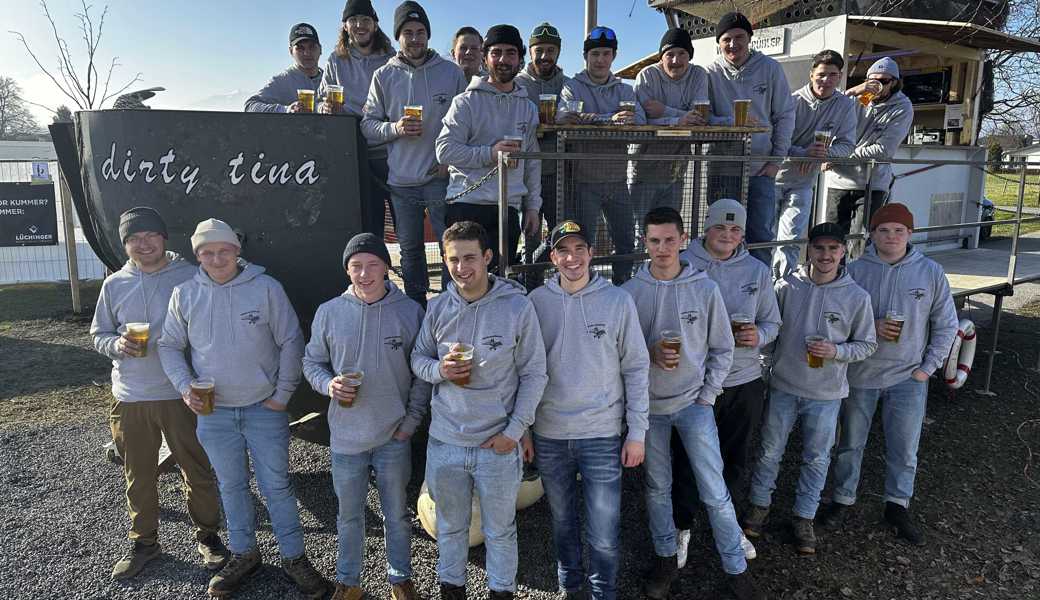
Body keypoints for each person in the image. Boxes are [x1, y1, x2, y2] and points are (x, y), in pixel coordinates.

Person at [158, 219, 327, 598]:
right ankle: (244, 553)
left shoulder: (266, 288)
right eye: (207, 252)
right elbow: (168, 345)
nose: (216, 258)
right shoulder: (184, 294)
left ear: (237, 251)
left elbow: (290, 341)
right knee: (231, 486)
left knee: (276, 486)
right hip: (214, 413)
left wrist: (282, 395)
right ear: (197, 255)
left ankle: (294, 558)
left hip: (264, 408)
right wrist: (186, 389)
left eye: (224, 250)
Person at [622, 207, 764, 600]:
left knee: (714, 489)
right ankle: (666, 558)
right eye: (654, 241)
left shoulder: (704, 289)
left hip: (693, 405)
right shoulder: (630, 294)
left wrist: (707, 396)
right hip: (649, 409)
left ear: (684, 240)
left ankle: (735, 568)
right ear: (644, 243)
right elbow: (621, 355)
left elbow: (723, 347)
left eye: (670, 240)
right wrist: (647, 354)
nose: (662, 248)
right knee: (657, 487)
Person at [410, 221, 548, 600]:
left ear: (487, 257)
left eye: (469, 257)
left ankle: (501, 592)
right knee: (451, 528)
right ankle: (451, 592)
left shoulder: (517, 307)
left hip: (497, 445)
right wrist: (440, 370)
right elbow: (417, 360)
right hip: (446, 444)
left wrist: (515, 431)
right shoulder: (437, 308)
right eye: (452, 259)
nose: (460, 267)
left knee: (501, 530)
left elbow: (535, 374)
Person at [91, 207, 227, 581]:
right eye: (134, 238)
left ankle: (209, 536)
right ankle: (145, 542)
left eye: (150, 235)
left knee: (196, 468)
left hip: (180, 391)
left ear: (164, 238)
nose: (143, 243)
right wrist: (117, 344)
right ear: (125, 245)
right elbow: (97, 334)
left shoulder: (189, 276)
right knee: (139, 475)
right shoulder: (114, 284)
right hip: (131, 395)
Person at [819, 204, 958, 545]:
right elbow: (837, 316)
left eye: (898, 230)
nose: (891, 236)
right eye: (884, 230)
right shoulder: (855, 269)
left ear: (910, 234)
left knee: (904, 446)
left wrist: (928, 368)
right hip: (861, 374)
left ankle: (897, 505)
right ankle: (842, 498)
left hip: (907, 376)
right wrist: (868, 327)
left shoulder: (930, 272)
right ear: (872, 234)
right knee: (850, 443)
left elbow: (946, 325)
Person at [303, 233, 430, 600]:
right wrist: (328, 385)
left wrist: (411, 422)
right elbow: (311, 361)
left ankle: (400, 578)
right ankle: (349, 581)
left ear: (386, 268)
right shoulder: (330, 312)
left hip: (394, 433)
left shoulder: (409, 313)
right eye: (356, 266)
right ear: (347, 270)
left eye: (373, 264)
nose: (364, 273)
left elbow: (422, 372)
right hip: (345, 437)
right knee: (350, 516)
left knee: (397, 514)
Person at [528, 220, 649, 600]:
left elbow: (636, 367)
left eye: (580, 249)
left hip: (601, 433)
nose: (572, 257)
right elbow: (524, 371)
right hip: (549, 434)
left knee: (604, 530)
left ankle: (603, 593)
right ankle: (571, 587)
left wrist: (637, 432)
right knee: (563, 522)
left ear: (591, 254)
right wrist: (525, 430)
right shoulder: (536, 303)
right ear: (553, 258)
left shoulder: (617, 301)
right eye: (563, 250)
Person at [743, 222, 877, 556]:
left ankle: (805, 516)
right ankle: (759, 506)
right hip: (784, 386)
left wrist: (837, 351)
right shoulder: (788, 286)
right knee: (770, 450)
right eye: (820, 248)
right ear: (809, 250)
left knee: (816, 458)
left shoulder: (857, 297)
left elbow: (867, 344)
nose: (826, 255)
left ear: (844, 251)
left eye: (833, 248)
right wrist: (764, 370)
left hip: (827, 393)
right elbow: (771, 331)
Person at [671, 199, 782, 565]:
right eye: (720, 227)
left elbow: (773, 322)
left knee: (735, 457)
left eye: (735, 230)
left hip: (743, 378)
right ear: (706, 227)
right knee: (686, 457)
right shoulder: (682, 262)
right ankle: (681, 526)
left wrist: (759, 335)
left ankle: (728, 525)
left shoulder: (756, 270)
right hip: (694, 382)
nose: (727, 235)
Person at [361, 0, 467, 305]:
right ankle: (417, 306)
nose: (415, 38)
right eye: (408, 32)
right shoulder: (383, 76)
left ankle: (452, 303)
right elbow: (368, 126)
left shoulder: (451, 72)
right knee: (410, 249)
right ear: (398, 36)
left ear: (429, 35)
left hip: (440, 177)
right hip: (401, 180)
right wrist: (394, 129)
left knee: (452, 247)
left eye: (421, 31)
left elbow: (466, 124)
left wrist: (450, 162)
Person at [436, 24, 542, 275]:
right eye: (496, 53)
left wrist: (533, 207)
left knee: (499, 283)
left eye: (511, 53)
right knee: (462, 283)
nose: (503, 59)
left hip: (507, 209)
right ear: (485, 58)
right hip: (466, 205)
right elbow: (444, 149)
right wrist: (490, 154)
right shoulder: (465, 102)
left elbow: (532, 162)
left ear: (520, 58)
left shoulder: (527, 107)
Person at [706, 11, 795, 266]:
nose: (733, 44)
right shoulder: (710, 72)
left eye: (739, 37)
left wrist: (776, 161)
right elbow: (703, 115)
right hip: (722, 167)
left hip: (760, 169)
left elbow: (785, 116)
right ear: (719, 43)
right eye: (726, 39)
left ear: (749, 38)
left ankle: (760, 294)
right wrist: (732, 123)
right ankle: (719, 289)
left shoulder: (770, 68)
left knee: (759, 236)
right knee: (720, 235)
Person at [560, 26, 646, 285]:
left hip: (617, 180)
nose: (600, 59)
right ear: (586, 56)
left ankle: (622, 290)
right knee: (583, 243)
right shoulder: (572, 87)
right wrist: (611, 120)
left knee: (625, 241)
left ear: (613, 56)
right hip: (584, 182)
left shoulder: (624, 89)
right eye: (595, 53)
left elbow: (639, 120)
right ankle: (585, 289)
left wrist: (591, 121)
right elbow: (566, 119)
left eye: (606, 54)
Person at [773, 50, 857, 280]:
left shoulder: (845, 106)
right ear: (811, 75)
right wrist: (803, 154)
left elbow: (848, 145)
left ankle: (782, 284)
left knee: (791, 237)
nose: (826, 80)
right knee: (764, 236)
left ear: (840, 76)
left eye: (832, 75)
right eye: (821, 74)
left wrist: (824, 154)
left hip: (803, 183)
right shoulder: (793, 101)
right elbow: (778, 140)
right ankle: (762, 286)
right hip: (773, 178)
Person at [318, 0, 397, 239]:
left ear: (375, 25)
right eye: (353, 20)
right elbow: (323, 98)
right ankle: (376, 276)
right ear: (345, 26)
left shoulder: (392, 58)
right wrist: (325, 107)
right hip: (355, 151)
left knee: (403, 224)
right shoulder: (335, 60)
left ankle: (411, 276)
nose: (359, 25)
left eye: (365, 20)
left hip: (391, 150)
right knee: (369, 224)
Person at [825, 57, 915, 251]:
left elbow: (883, 150)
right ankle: (833, 280)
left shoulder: (902, 107)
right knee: (831, 239)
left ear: (895, 83)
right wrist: (853, 91)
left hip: (871, 183)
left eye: (883, 81)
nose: (877, 86)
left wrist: (839, 156)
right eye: (872, 80)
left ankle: (860, 280)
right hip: (838, 180)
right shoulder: (856, 99)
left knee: (861, 242)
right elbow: (829, 109)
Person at [631, 28, 709, 214]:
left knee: (670, 228)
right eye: (670, 54)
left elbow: (699, 118)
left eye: (682, 53)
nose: (676, 60)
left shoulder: (698, 75)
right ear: (661, 57)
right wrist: (681, 119)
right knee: (640, 230)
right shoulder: (646, 76)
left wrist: (665, 112)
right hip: (644, 169)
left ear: (689, 56)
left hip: (677, 170)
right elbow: (641, 122)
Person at [515, 21, 567, 283]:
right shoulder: (518, 84)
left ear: (557, 52)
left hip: (560, 174)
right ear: (530, 52)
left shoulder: (568, 84)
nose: (544, 56)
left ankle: (560, 285)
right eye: (539, 50)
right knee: (529, 236)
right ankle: (529, 286)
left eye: (550, 50)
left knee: (561, 235)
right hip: (526, 174)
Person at [244, 23, 323, 113]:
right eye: (300, 48)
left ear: (320, 49)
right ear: (291, 51)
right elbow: (250, 105)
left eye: (312, 47)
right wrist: (285, 110)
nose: (307, 53)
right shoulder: (282, 81)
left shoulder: (330, 80)